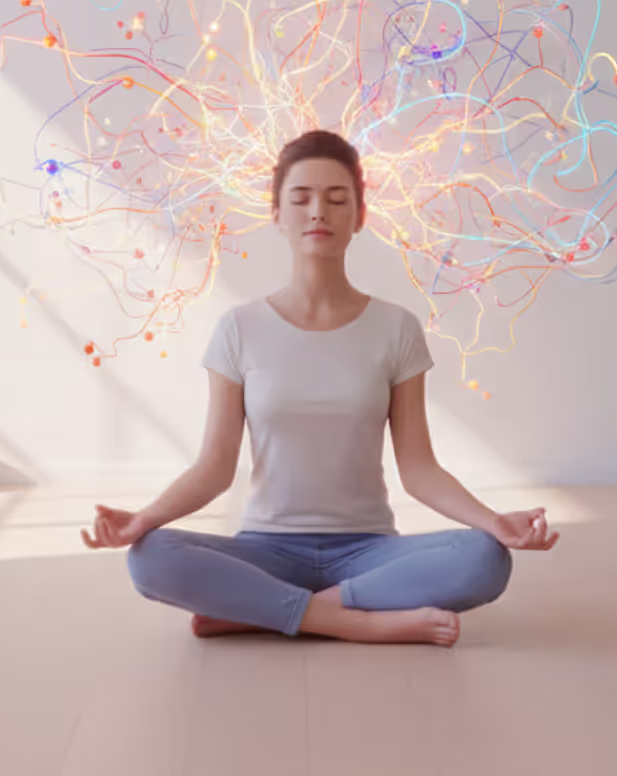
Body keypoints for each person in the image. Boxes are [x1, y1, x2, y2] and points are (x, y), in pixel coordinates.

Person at [79, 129, 559, 647]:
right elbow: (214, 469)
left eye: (336, 200)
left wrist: (496, 523)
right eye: (301, 198)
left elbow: (419, 469)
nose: (318, 213)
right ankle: (360, 621)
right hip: (266, 551)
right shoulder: (239, 329)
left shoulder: (395, 328)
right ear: (277, 213)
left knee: (486, 558)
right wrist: (142, 520)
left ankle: (261, 612)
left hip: (368, 553)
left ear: (359, 216)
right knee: (150, 558)